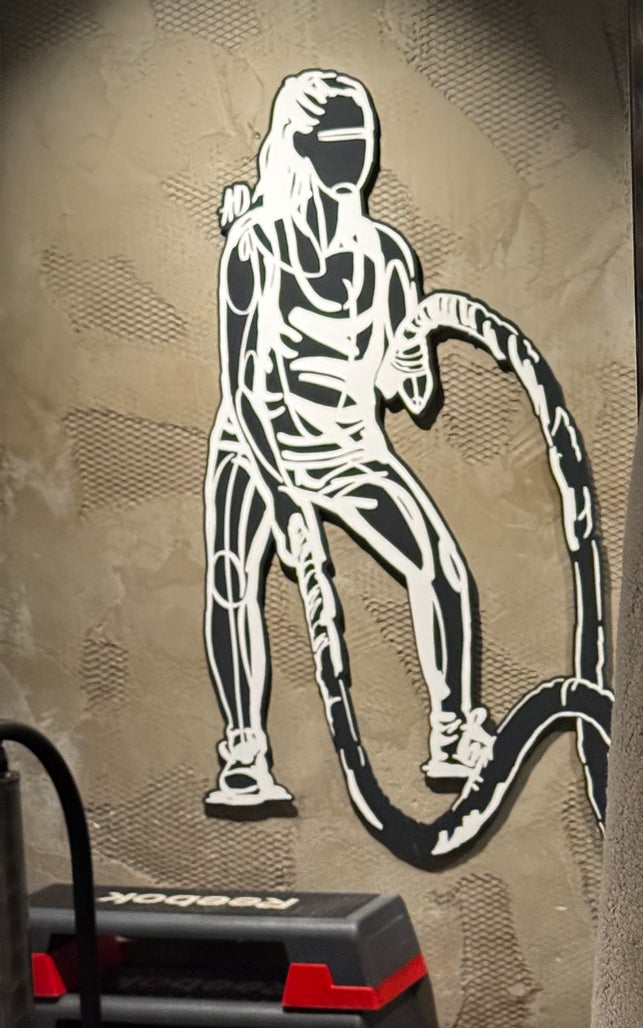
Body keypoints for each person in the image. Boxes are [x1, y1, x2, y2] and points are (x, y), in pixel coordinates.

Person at [201, 69, 495, 813]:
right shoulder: (254, 247)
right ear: (299, 146)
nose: (356, 152)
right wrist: (284, 504)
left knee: (441, 568)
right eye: (338, 138)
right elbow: (242, 386)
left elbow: (412, 393)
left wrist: (412, 355)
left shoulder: (387, 256)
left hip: (348, 447)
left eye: (360, 137)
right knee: (233, 576)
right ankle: (244, 752)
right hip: (256, 444)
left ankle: (454, 731)